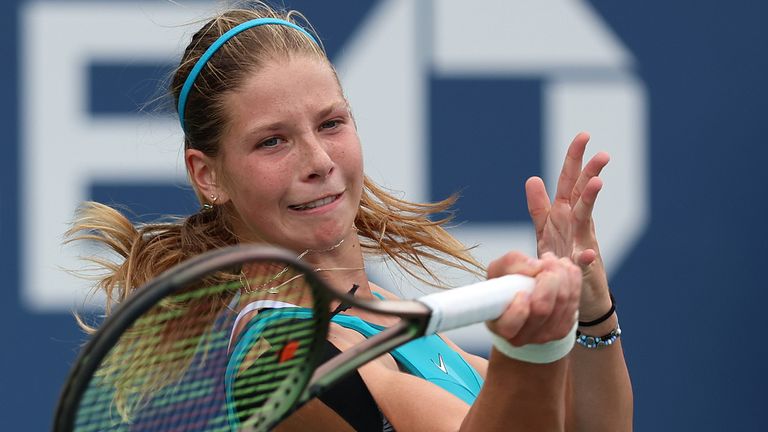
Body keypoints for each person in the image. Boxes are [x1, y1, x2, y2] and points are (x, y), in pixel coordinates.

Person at [67, 2, 632, 431]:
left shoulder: (385, 315)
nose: (318, 161)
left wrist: (588, 311)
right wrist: (527, 351)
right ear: (207, 175)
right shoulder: (277, 364)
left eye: (331, 123)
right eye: (272, 142)